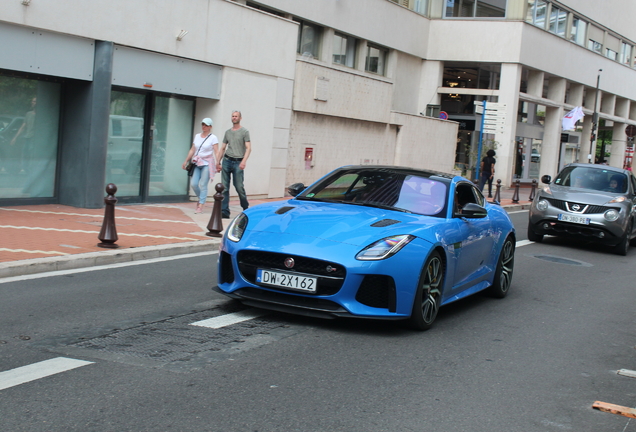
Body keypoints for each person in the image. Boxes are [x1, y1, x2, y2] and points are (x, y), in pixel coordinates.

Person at [217, 111, 251, 218]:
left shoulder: (244, 131)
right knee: (225, 188)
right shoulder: (227, 132)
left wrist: (244, 161)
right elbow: (222, 148)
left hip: (238, 162)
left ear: (240, 118)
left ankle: (245, 207)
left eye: (236, 116)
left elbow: (249, 148)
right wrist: (217, 162)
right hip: (227, 160)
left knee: (239, 187)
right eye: (233, 116)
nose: (234, 117)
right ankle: (224, 211)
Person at [182, 118, 219, 214]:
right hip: (197, 163)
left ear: (210, 126)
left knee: (203, 184)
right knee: (194, 184)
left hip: (207, 163)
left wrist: (218, 163)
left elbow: (216, 151)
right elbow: (192, 149)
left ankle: (200, 205)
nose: (204, 126)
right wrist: (186, 160)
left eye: (206, 125)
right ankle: (201, 198)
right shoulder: (197, 136)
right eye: (203, 124)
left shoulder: (213, 137)